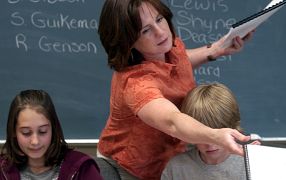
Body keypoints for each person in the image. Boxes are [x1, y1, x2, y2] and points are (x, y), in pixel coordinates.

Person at [97, 0, 254, 179]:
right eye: (145, 30)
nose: (160, 32)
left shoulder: (167, 47)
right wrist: (214, 135)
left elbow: (181, 61)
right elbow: (172, 121)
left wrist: (217, 49)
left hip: (172, 159)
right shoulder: (136, 84)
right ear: (128, 41)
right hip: (131, 168)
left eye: (159, 19)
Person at [161, 83, 260, 180]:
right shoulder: (176, 168)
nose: (210, 145)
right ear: (189, 133)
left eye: (217, 135)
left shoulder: (252, 164)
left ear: (232, 128)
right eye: (203, 136)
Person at [0, 89, 103, 180]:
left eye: (43, 131)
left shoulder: (82, 168)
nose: (35, 141)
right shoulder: (2, 169)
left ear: (53, 129)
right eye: (26, 133)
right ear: (13, 132)